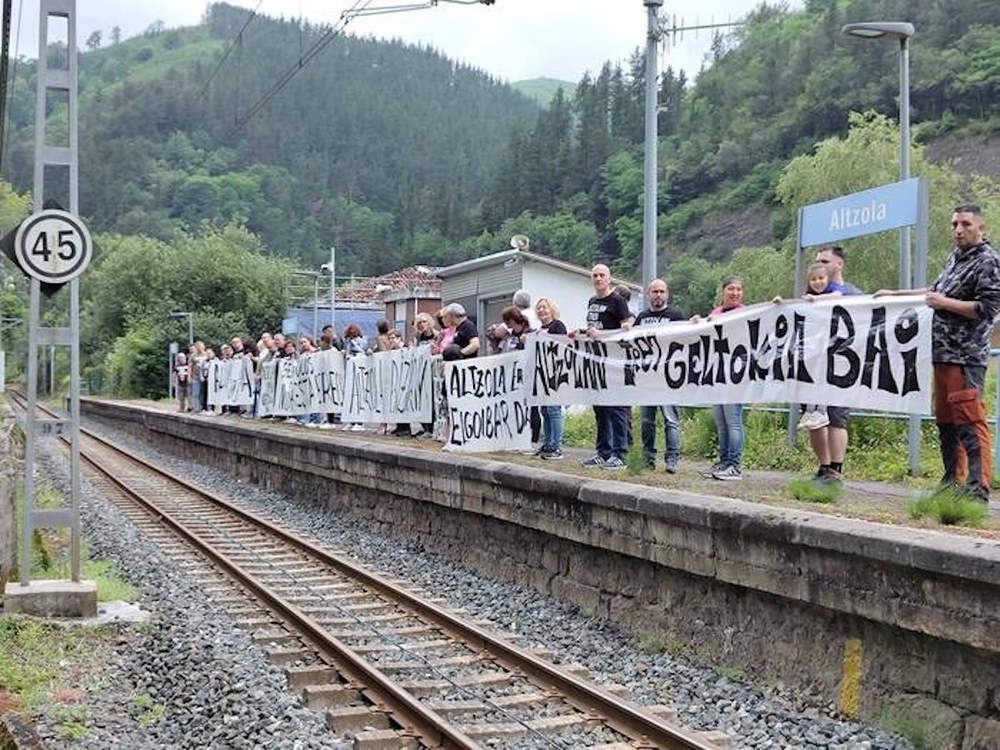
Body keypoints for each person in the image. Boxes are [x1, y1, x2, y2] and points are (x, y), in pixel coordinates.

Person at [875, 203, 1000, 503]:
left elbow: (987, 309)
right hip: (941, 354)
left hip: (966, 357)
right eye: (955, 224)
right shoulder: (955, 259)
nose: (958, 230)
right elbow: (934, 292)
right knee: (946, 422)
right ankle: (951, 481)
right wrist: (896, 294)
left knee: (969, 419)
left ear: (981, 228)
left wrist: (945, 303)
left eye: (966, 224)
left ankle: (977, 487)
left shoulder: (989, 262)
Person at [808, 245, 862, 483]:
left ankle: (836, 470)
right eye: (818, 261)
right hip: (814, 365)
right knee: (814, 418)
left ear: (839, 264)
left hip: (841, 363)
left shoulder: (853, 294)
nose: (821, 265)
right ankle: (823, 467)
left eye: (826, 261)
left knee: (837, 417)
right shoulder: (814, 293)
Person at [571, 263, 634, 469]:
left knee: (616, 408)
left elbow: (627, 328)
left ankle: (621, 453)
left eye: (602, 275)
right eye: (595, 275)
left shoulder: (617, 300)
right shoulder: (592, 301)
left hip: (613, 362)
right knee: (600, 409)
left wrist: (605, 335)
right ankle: (603, 451)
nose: (598, 279)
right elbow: (594, 328)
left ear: (609, 278)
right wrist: (580, 332)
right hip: (595, 362)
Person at [695, 275, 745, 481]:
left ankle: (734, 464)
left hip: (736, 373)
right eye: (731, 289)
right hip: (717, 373)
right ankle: (724, 461)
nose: (734, 293)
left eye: (738, 289)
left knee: (733, 420)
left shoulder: (746, 313)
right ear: (723, 291)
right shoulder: (715, 313)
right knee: (722, 422)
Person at [634, 279, 685, 473]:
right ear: (648, 295)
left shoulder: (676, 315)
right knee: (647, 421)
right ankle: (648, 459)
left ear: (667, 294)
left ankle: (672, 459)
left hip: (669, 376)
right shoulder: (642, 317)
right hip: (647, 378)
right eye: (654, 291)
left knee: (670, 420)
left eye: (662, 291)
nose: (658, 295)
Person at [793, 262, 844, 432]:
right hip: (811, 344)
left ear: (827, 279)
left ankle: (822, 411)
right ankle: (809, 410)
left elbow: (838, 295)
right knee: (809, 376)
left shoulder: (833, 290)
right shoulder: (806, 297)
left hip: (828, 343)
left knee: (822, 376)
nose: (818, 282)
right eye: (813, 279)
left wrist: (817, 299)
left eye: (821, 278)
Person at [535, 297, 567, 459]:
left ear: (551, 309)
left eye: (544, 307)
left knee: (554, 409)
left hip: (555, 374)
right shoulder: (539, 330)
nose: (541, 310)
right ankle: (547, 443)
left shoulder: (558, 326)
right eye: (539, 308)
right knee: (545, 411)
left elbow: (561, 347)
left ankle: (556, 445)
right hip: (542, 374)